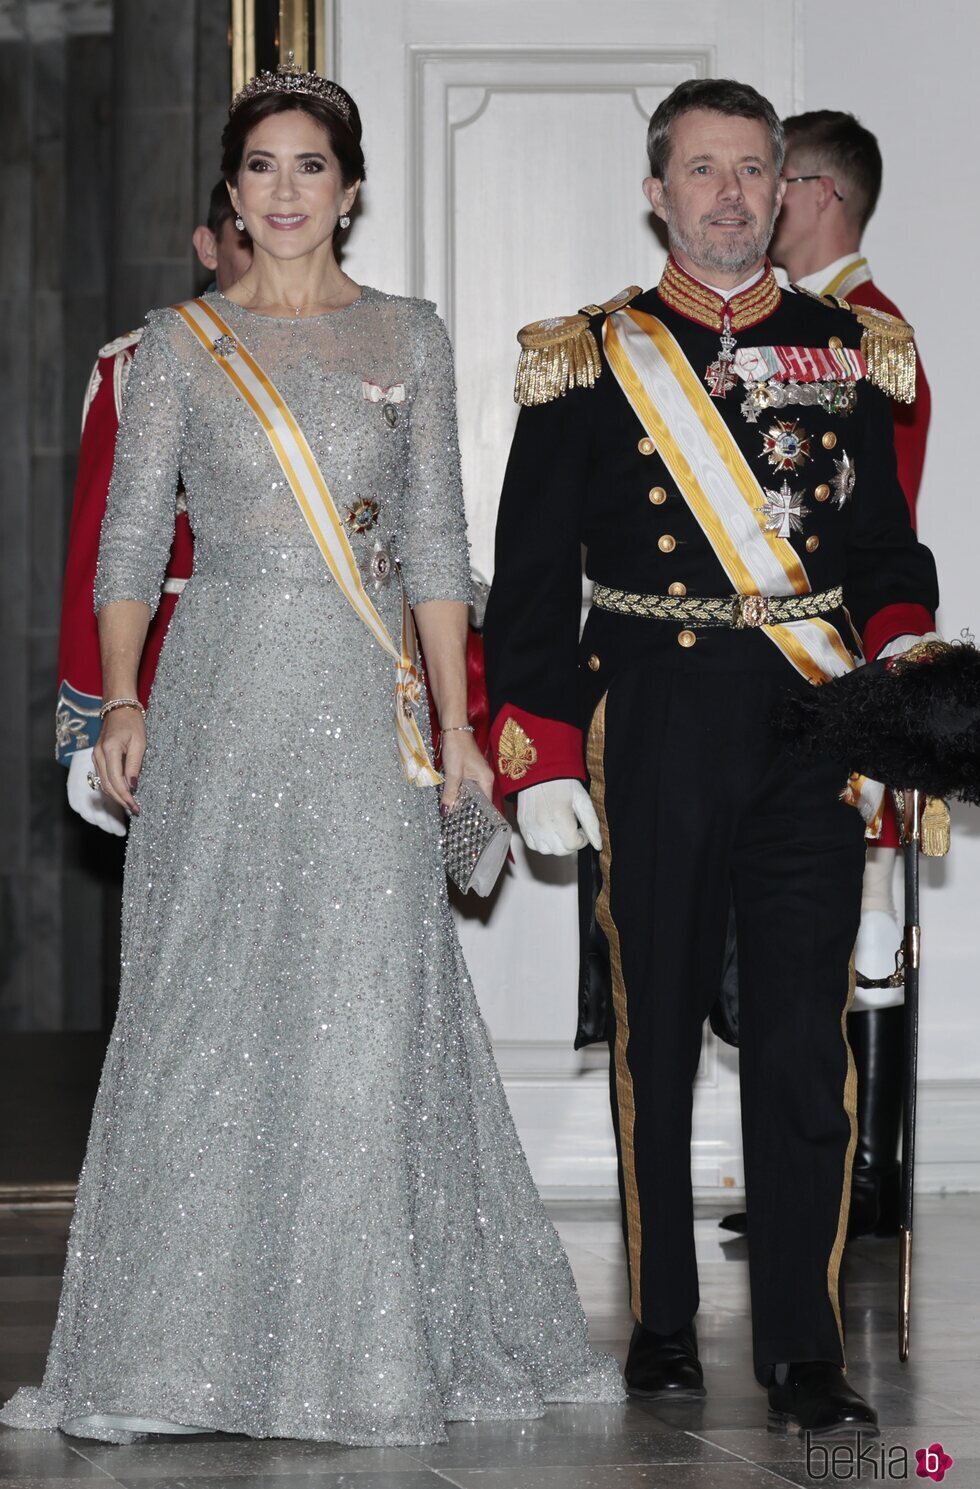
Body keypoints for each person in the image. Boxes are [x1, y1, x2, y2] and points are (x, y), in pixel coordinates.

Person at [2, 66, 620, 1446]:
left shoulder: (407, 332)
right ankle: (172, 1353)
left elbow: (444, 547)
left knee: (364, 1016)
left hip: (362, 710)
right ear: (232, 193)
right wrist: (119, 702)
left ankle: (361, 1356)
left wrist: (465, 735)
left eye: (310, 168)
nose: (286, 192)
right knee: (199, 1015)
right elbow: (123, 547)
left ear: (349, 189)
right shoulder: (177, 345)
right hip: (217, 691)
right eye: (263, 169)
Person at [484, 78, 938, 1438]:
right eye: (703, 171)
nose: (731, 194)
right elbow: (526, 582)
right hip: (657, 717)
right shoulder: (589, 358)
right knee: (658, 1032)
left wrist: (906, 671)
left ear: (780, 186)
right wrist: (540, 749)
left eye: (753, 169)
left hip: (809, 725)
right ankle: (665, 1319)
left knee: (805, 1044)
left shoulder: (848, 353)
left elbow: (886, 559)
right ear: (655, 191)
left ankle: (804, 1345)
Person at [770, 110, 932, 1239]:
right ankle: (827, 1173)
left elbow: (872, 524)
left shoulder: (863, 333)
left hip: (837, 653)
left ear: (817, 190)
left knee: (865, 920)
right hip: (790, 660)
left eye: (771, 179)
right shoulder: (801, 326)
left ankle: (867, 1181)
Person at [57, 182, 253, 836]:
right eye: (243, 236)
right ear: (207, 245)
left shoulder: (349, 357)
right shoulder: (138, 367)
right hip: (174, 688)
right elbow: (101, 551)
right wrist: (90, 723)